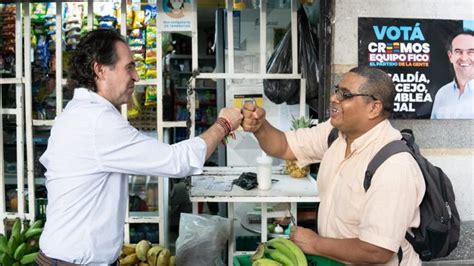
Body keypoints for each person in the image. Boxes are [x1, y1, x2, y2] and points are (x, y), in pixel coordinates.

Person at [36, 29, 242, 265]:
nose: (136, 77)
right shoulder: (97, 121)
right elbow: (177, 161)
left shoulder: (76, 113)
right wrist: (223, 125)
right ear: (100, 70)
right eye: (129, 67)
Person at [242, 66, 425, 265]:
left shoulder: (395, 166)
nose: (333, 98)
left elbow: (377, 251)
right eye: (337, 90)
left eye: (345, 94)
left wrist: (315, 243)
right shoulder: (335, 134)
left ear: (374, 108)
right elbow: (285, 146)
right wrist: (260, 126)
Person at [431, 30, 474, 119]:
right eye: (458, 51)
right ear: (450, 56)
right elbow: (433, 130)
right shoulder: (442, 93)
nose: (464, 58)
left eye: (471, 52)